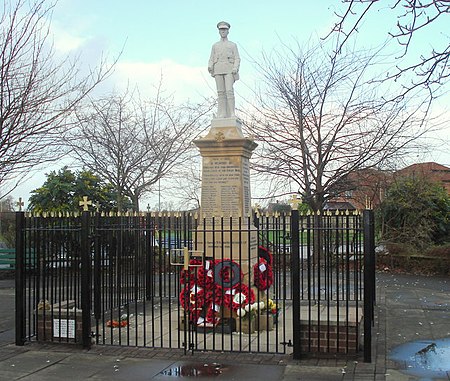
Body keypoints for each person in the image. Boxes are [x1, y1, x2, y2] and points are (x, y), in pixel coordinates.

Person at [208, 21, 240, 118]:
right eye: (221, 30)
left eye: (225, 29)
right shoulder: (215, 45)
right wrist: (210, 66)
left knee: (229, 91)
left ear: (228, 31)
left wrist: (235, 67)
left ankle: (231, 113)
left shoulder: (232, 45)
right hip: (218, 69)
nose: (223, 31)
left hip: (229, 69)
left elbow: (237, 58)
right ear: (218, 31)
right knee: (220, 92)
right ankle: (222, 113)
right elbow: (211, 58)